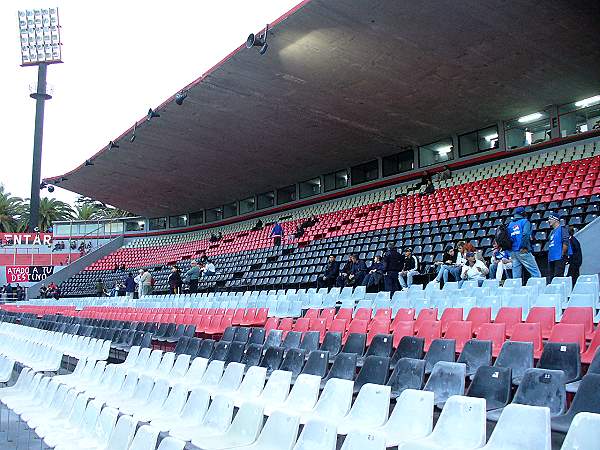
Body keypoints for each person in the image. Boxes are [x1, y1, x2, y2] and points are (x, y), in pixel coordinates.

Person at [507, 206, 541, 281]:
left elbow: (508, 238)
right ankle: (538, 289)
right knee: (535, 272)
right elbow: (526, 234)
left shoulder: (510, 224)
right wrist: (524, 247)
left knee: (516, 277)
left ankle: (516, 290)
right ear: (523, 213)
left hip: (513, 252)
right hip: (522, 250)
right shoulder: (525, 221)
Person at [547, 213, 571, 283]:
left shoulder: (562, 229)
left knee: (558, 278)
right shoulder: (552, 232)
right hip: (552, 258)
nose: (548, 221)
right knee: (551, 278)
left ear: (556, 220)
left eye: (550, 219)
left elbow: (566, 242)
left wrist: (562, 254)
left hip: (559, 257)